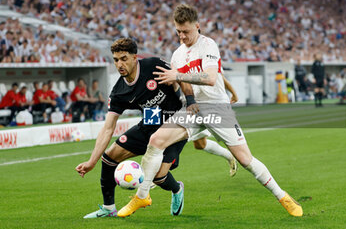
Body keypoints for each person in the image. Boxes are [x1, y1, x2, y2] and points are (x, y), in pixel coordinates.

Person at [118, 4, 303, 218]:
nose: (182, 36)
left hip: (217, 108)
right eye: (178, 31)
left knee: (245, 160)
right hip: (193, 109)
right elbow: (185, 82)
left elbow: (211, 78)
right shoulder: (177, 54)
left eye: (186, 31)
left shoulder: (208, 45)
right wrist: (183, 93)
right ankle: (142, 196)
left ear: (197, 26)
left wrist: (178, 76)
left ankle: (282, 196)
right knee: (156, 141)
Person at [75, 38, 235, 218]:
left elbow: (180, 75)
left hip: (175, 123)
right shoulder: (119, 92)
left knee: (159, 176)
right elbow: (107, 128)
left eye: (124, 58)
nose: (120, 64)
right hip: (150, 123)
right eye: (116, 59)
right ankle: (108, 208)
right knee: (109, 157)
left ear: (135, 57)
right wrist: (91, 162)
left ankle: (177, 189)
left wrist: (190, 101)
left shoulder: (153, 65)